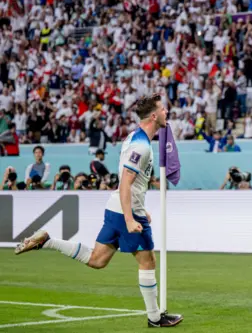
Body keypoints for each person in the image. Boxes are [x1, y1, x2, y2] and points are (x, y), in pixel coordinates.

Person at [15, 94, 183, 328]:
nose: (167, 113)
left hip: (117, 207)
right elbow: (125, 182)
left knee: (97, 260)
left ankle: (48, 241)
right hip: (125, 212)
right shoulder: (141, 146)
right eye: (163, 109)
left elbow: (132, 184)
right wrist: (130, 218)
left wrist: (141, 209)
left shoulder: (135, 137)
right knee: (147, 261)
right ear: (154, 116)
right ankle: (155, 317)